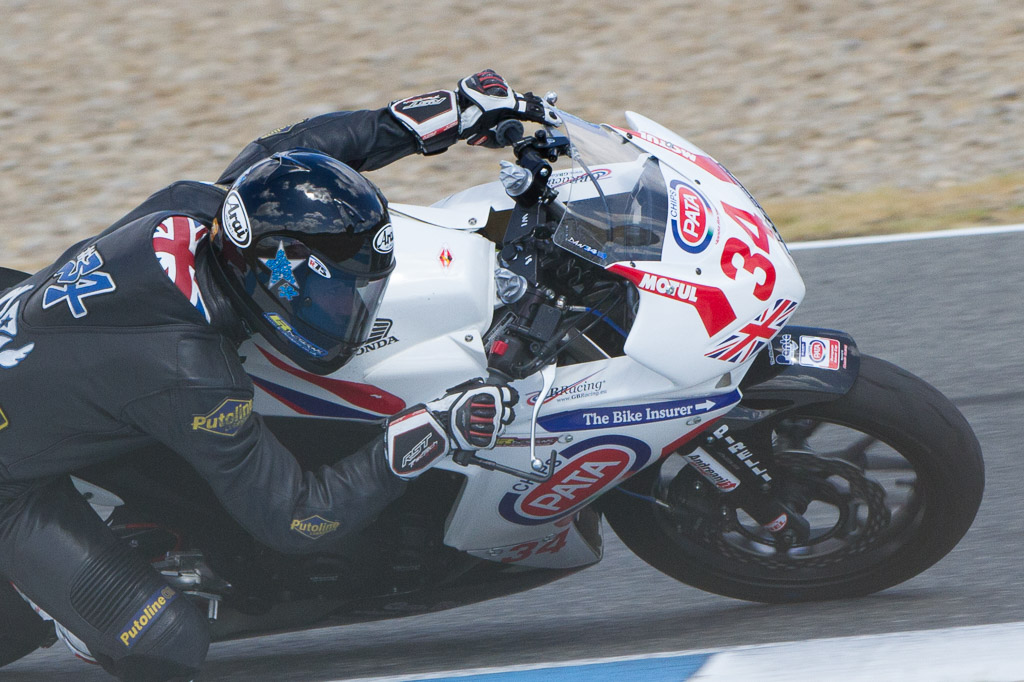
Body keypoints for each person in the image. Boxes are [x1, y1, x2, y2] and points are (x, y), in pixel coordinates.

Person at [0, 70, 555, 681]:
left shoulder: (205, 208)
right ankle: (39, 597)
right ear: (267, 277)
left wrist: (440, 115)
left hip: (42, 347)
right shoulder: (190, 372)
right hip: (12, 487)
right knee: (169, 645)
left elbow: (288, 157)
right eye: (329, 294)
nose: (348, 309)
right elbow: (296, 519)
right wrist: (430, 432)